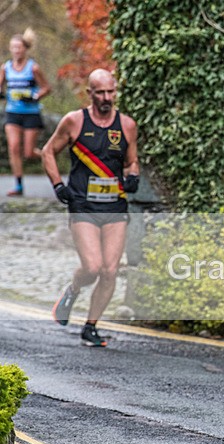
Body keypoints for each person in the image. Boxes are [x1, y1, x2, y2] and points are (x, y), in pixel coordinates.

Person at [42, 69, 139, 347]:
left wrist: (133, 176)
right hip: (83, 204)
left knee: (109, 271)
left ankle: (90, 327)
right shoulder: (74, 122)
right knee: (93, 267)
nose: (107, 98)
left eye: (111, 92)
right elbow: (48, 151)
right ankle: (73, 290)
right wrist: (58, 185)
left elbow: (132, 160)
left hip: (115, 206)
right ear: (90, 94)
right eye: (100, 93)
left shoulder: (127, 125)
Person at [1, 28, 51, 196]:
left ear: (25, 48)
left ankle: (47, 156)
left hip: (31, 113)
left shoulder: (33, 68)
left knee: (28, 153)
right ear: (10, 49)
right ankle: (19, 185)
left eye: (19, 47)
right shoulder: (6, 68)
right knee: (14, 147)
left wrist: (35, 96)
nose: (16, 50)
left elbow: (46, 88)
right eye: (13, 47)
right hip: (12, 112)